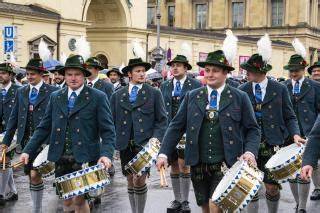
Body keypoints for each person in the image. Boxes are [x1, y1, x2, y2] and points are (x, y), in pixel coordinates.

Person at [157, 50, 260, 213]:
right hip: (198, 163)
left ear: (226, 73)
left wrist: (250, 152)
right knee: (204, 206)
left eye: (215, 70)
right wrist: (163, 154)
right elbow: (176, 126)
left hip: (227, 163)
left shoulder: (239, 97)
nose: (210, 74)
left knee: (215, 205)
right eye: (208, 70)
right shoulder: (192, 96)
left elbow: (253, 129)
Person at [20, 54, 116, 213]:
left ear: (84, 75)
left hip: (85, 156)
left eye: (77, 74)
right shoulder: (56, 96)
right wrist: (28, 150)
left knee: (79, 200)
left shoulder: (98, 97)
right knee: (66, 202)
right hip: (61, 156)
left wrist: (106, 154)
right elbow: (44, 127)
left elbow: (108, 130)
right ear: (64, 76)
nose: (73, 78)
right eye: (69, 74)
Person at [239, 50, 306, 213]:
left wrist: (295, 134)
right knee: (251, 188)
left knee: (272, 188)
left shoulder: (279, 88)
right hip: (248, 146)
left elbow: (290, 116)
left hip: (274, 145)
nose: (246, 73)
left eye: (250, 70)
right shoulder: (241, 90)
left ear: (261, 72)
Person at [110, 57, 167, 213]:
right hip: (125, 144)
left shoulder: (154, 93)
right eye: (138, 71)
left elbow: (162, 120)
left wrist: (156, 139)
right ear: (129, 74)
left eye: (143, 71)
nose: (142, 74)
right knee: (130, 180)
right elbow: (110, 121)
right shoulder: (117, 95)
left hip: (145, 145)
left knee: (139, 179)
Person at [1, 58, 57, 213]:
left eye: (33, 74)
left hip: (45, 141)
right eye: (27, 74)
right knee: (30, 176)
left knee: (35, 175)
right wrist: (6, 142)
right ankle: (37, 207)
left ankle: (37, 209)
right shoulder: (21, 91)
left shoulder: (53, 92)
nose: (29, 77)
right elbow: (14, 117)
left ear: (41, 74)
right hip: (26, 141)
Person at [160, 54, 201, 212]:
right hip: (170, 131)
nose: (175, 68)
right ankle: (176, 199)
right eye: (172, 65)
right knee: (174, 165)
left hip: (188, 130)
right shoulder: (165, 85)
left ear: (186, 68)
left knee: (185, 165)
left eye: (179, 65)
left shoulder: (195, 84)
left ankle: (185, 201)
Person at [283, 53, 320, 211]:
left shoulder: (316, 86)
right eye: (291, 70)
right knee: (292, 171)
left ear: (304, 69)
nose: (293, 73)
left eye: (297, 69)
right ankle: (299, 203)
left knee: (310, 165)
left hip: (310, 133)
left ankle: (307, 201)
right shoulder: (283, 87)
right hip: (289, 135)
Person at [0, 62, 20, 205]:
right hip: (1, 131)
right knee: (4, 159)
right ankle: (13, 191)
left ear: (11, 75)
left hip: (14, 131)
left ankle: (0, 194)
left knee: (3, 157)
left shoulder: (19, 90)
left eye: (4, 73)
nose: (0, 76)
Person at [306, 61, 320, 200]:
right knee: (314, 162)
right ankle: (317, 188)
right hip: (313, 129)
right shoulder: (309, 87)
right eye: (314, 71)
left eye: (318, 70)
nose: (316, 73)